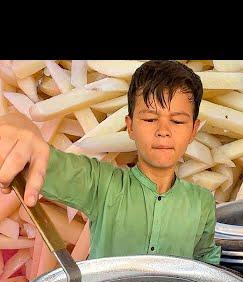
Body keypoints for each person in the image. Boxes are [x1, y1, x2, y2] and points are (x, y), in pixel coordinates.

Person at [0, 60, 221, 265]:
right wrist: (18, 129)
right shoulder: (102, 185)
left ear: (194, 130)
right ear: (130, 126)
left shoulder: (202, 202)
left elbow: (206, 263)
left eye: (177, 121)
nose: (163, 131)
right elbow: (43, 161)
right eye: (150, 119)